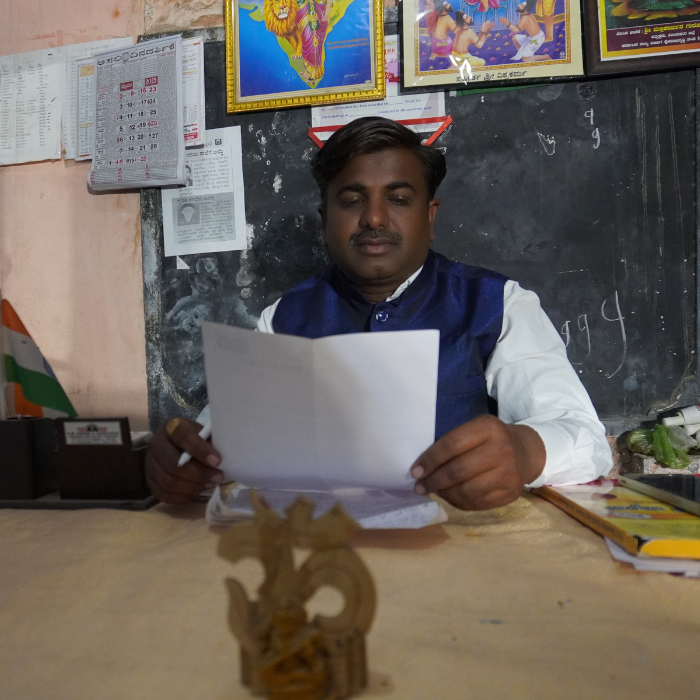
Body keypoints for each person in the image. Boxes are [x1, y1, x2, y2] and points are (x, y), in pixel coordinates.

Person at [146, 116, 611, 510]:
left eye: (398, 199)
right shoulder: (285, 319)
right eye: (351, 200)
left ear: (430, 216)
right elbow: (218, 436)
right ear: (325, 219)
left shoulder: (498, 305)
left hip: (457, 553)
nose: (373, 218)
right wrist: (182, 458)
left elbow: (584, 438)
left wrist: (524, 452)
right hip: (321, 553)